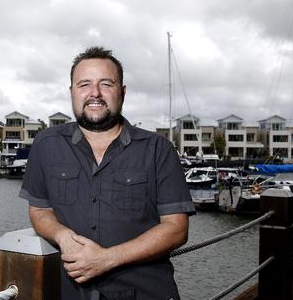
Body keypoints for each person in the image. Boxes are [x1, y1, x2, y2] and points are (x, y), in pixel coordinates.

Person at [19, 46, 195, 300]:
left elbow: (177, 229)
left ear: (122, 92)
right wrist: (62, 235)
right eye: (84, 84)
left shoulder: (158, 150)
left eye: (106, 84)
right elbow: (39, 210)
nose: (95, 93)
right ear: (71, 92)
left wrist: (107, 259)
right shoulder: (46, 145)